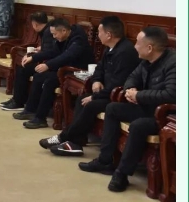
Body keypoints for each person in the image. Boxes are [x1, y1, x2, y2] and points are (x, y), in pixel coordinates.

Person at [79, 27, 175, 192]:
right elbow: (131, 77)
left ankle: (122, 174)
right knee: (112, 108)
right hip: (146, 107)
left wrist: (139, 96)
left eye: (137, 43)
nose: (135, 46)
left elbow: (171, 95)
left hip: (165, 116)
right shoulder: (146, 60)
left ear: (149, 48)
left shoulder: (174, 63)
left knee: (138, 125)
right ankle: (105, 160)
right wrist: (130, 90)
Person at [40, 16, 140, 155]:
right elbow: (99, 68)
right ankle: (76, 143)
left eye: (100, 32)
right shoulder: (110, 48)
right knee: (82, 100)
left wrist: (95, 97)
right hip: (106, 91)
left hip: (118, 96)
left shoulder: (125, 52)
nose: (98, 36)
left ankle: (64, 137)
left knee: (90, 104)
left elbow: (118, 83)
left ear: (109, 35)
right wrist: (96, 80)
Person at [12, 18, 95, 128]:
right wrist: (33, 57)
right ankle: (30, 110)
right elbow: (54, 52)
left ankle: (40, 118)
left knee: (49, 82)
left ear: (64, 31)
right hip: (64, 68)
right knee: (38, 76)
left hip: (76, 72)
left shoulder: (78, 39)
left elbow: (67, 56)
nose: (53, 36)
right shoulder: (63, 37)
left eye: (55, 34)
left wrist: (48, 65)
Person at [0, 12, 56, 111]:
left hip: (49, 65)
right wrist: (39, 49)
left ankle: (18, 101)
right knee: (22, 68)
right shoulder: (46, 30)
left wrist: (32, 57)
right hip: (46, 61)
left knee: (23, 68)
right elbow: (49, 48)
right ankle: (17, 99)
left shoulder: (47, 32)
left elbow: (50, 52)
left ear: (35, 24)